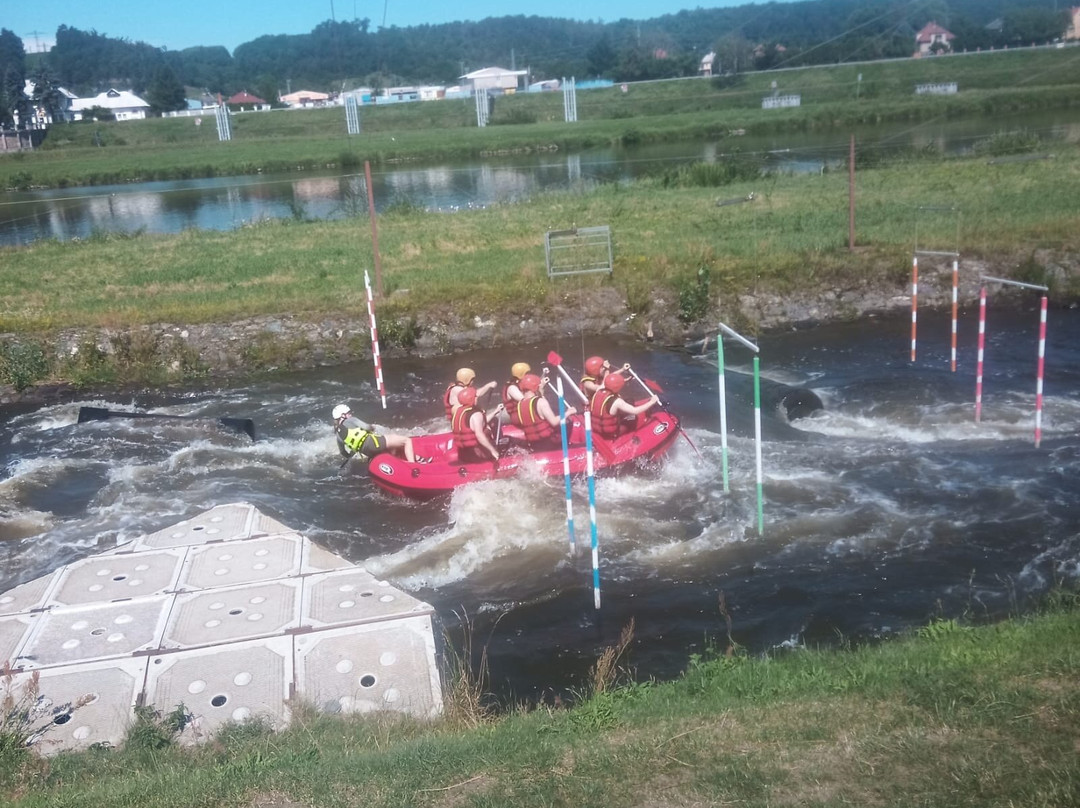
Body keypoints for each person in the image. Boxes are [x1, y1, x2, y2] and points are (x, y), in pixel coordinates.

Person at [332, 403, 421, 464]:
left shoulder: (338, 436)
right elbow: (367, 428)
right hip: (375, 443)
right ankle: (413, 466)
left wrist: (352, 453)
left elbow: (343, 453)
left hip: (368, 452)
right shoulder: (351, 420)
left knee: (394, 449)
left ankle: (416, 459)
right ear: (343, 415)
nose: (350, 414)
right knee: (406, 441)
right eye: (349, 413)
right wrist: (373, 427)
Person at [514, 373, 576, 451]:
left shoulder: (519, 404)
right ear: (536, 387)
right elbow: (554, 422)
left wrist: (540, 389)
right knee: (568, 421)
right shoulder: (541, 402)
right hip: (549, 443)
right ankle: (565, 448)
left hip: (534, 444)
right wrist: (568, 412)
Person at [588, 373, 660, 439]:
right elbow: (635, 411)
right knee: (633, 418)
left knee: (629, 401)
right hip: (611, 434)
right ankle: (630, 437)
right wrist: (652, 402)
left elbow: (608, 381)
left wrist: (625, 379)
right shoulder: (617, 402)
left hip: (597, 429)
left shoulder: (598, 390)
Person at [450, 386, 503, 463]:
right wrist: (492, 451)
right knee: (505, 447)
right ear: (471, 399)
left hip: (463, 454)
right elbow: (479, 435)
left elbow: (480, 422)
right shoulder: (476, 414)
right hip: (477, 454)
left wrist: (495, 411)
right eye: (475, 396)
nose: (476, 398)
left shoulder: (458, 412)